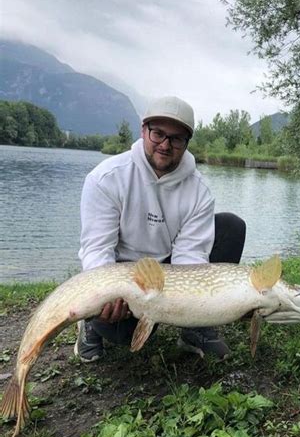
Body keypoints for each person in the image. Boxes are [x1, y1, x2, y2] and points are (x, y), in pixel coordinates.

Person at [75, 95, 246, 363]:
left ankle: (193, 329)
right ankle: (89, 324)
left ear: (187, 143)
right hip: (121, 273)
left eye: (176, 138)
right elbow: (97, 248)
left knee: (231, 227)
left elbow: (190, 256)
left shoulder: (198, 191)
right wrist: (103, 297)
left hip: (166, 270)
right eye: (158, 134)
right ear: (143, 131)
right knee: (119, 333)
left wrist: (193, 304)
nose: (165, 145)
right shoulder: (105, 178)